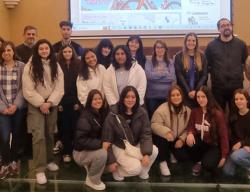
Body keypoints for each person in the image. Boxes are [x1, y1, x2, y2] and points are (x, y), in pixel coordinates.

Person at [22, 39, 64, 184]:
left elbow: (59, 87)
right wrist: (41, 103)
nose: (44, 51)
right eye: (41, 49)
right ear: (37, 50)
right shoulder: (30, 65)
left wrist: (50, 102)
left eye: (47, 48)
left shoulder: (56, 64)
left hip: (51, 103)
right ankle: (40, 169)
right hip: (36, 105)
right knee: (38, 135)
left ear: (50, 50)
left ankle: (49, 161)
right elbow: (28, 89)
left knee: (50, 133)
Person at [102, 86, 158, 181]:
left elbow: (146, 134)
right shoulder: (113, 114)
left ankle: (143, 172)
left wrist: (146, 154)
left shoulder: (142, 113)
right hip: (119, 146)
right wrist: (111, 161)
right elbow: (107, 140)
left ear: (137, 98)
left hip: (134, 145)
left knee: (154, 151)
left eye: (133, 97)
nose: (130, 100)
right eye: (127, 97)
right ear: (122, 98)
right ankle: (118, 171)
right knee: (135, 168)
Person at [205, 18, 248, 110]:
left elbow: (245, 62)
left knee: (236, 113)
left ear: (231, 27)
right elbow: (207, 65)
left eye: (228, 25)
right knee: (219, 114)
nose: (226, 27)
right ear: (218, 29)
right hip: (218, 87)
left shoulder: (241, 44)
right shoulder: (211, 46)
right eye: (223, 26)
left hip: (236, 86)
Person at [186, 86, 229, 176]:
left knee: (208, 165)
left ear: (208, 97)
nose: (200, 99)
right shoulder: (194, 111)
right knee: (190, 144)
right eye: (198, 97)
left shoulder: (217, 114)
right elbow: (191, 126)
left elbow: (224, 136)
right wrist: (190, 133)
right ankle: (199, 161)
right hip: (201, 143)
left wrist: (224, 156)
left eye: (203, 97)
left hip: (214, 145)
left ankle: (207, 165)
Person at [151, 85, 191, 176]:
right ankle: (163, 162)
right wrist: (166, 132)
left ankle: (172, 153)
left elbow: (188, 128)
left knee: (183, 157)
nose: (176, 97)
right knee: (160, 139)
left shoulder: (187, 111)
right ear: (169, 97)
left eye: (178, 94)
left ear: (181, 96)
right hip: (165, 138)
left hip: (177, 139)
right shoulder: (162, 109)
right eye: (173, 95)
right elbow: (154, 125)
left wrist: (182, 139)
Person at [73, 89, 108, 190]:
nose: (98, 101)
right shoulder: (85, 116)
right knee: (102, 153)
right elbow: (81, 140)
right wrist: (101, 144)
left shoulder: (99, 113)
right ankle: (92, 180)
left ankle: (92, 167)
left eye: (99, 98)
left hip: (90, 148)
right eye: (94, 99)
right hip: (80, 153)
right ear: (89, 101)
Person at [0, 41, 25, 179]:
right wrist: (3, 108)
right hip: (2, 110)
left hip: (18, 108)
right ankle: (5, 163)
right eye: (4, 51)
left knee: (16, 135)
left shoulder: (22, 66)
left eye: (9, 50)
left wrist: (15, 105)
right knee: (4, 137)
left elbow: (23, 88)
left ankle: (14, 161)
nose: (6, 53)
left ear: (13, 51)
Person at [56, 45, 81, 162]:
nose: (67, 53)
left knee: (75, 127)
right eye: (65, 51)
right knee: (64, 128)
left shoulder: (79, 64)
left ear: (73, 52)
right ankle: (67, 153)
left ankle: (76, 152)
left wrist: (77, 102)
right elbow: (56, 85)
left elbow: (80, 85)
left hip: (75, 101)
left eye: (69, 51)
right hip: (62, 101)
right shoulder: (57, 65)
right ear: (62, 53)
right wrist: (59, 102)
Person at [175, 32, 208, 108]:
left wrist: (196, 91)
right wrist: (188, 91)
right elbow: (179, 75)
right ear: (185, 42)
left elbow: (204, 75)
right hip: (184, 92)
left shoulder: (202, 56)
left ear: (196, 43)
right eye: (189, 40)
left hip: (199, 92)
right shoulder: (179, 56)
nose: (191, 43)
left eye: (193, 41)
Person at [223, 89, 250, 179]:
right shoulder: (233, 116)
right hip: (240, 147)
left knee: (236, 157)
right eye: (236, 99)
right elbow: (233, 136)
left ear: (247, 100)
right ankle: (245, 166)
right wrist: (241, 145)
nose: (238, 101)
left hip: (247, 146)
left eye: (241, 99)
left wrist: (243, 143)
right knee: (227, 172)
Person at [145, 40, 176, 118]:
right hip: (152, 96)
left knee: (166, 117)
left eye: (162, 47)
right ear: (154, 49)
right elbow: (148, 76)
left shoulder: (170, 62)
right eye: (157, 47)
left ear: (165, 49)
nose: (160, 49)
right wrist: (164, 74)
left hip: (167, 96)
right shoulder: (149, 62)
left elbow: (172, 77)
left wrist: (156, 76)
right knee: (153, 118)